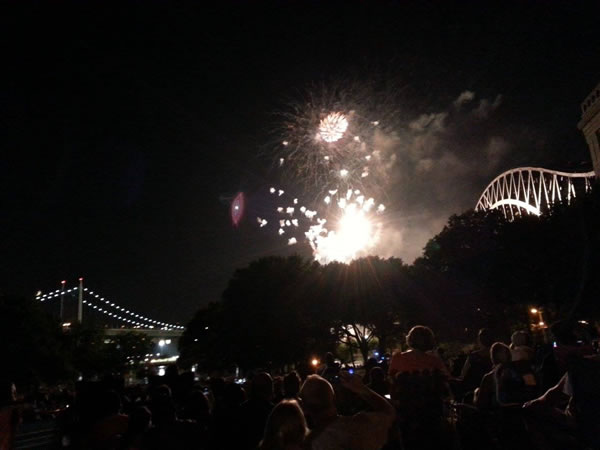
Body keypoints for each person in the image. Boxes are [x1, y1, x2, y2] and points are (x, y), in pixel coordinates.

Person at [300, 372, 395, 450]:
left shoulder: (309, 444)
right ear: (335, 398)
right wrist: (361, 389)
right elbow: (388, 412)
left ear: (304, 408)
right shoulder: (358, 427)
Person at [459, 328, 493, 396]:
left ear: (479, 340)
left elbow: (463, 374)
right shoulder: (497, 354)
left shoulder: (473, 356)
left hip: (475, 390)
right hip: (493, 389)